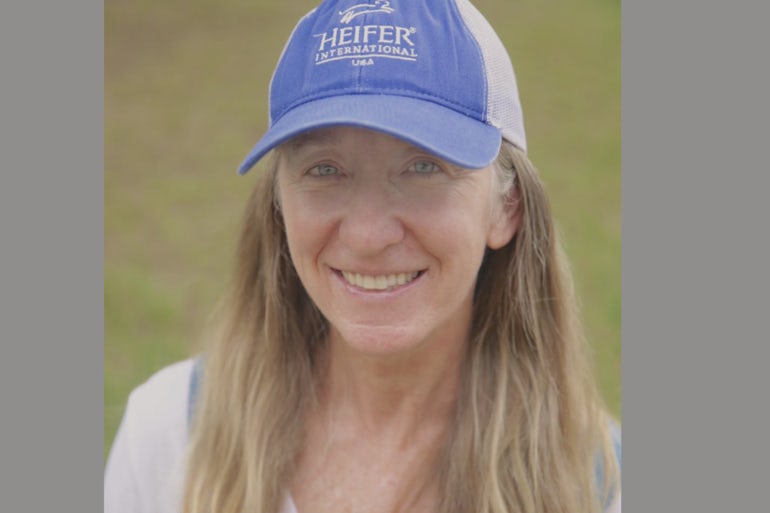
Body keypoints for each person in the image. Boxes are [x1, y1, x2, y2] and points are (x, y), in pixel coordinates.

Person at [104, 1, 621, 512]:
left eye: (423, 167)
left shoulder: (600, 486)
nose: (369, 234)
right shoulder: (168, 437)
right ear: (279, 206)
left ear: (505, 207)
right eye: (325, 170)